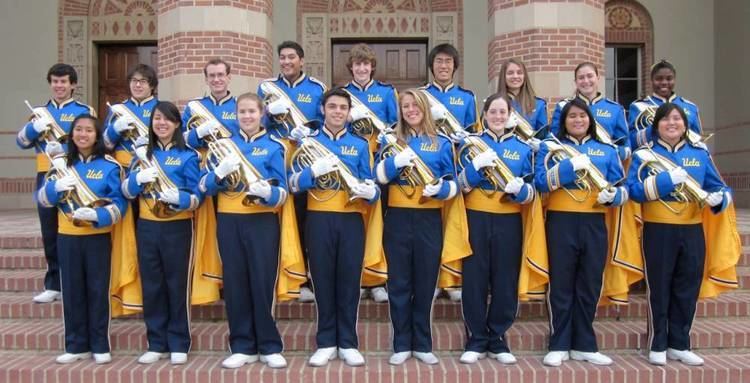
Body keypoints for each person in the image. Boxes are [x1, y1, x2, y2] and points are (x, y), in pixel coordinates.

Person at [627, 103, 738, 367]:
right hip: (658, 228)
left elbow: (720, 187)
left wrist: (718, 198)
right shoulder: (644, 155)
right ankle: (657, 342)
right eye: (665, 120)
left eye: (677, 119)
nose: (672, 124)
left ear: (685, 124)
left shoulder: (699, 153)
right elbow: (633, 190)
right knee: (660, 287)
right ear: (657, 126)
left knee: (687, 286)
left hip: (692, 228)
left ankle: (680, 342)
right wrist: (666, 181)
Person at [199, 92, 304, 369]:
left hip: (262, 222)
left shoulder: (274, 146)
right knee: (235, 284)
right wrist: (217, 175)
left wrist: (268, 192)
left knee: (262, 282)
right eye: (242, 112)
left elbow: (283, 192)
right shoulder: (221, 146)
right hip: (229, 221)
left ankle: (269, 345)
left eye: (252, 112)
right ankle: (242, 344)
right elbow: (203, 188)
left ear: (262, 114)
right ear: (236, 115)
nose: (247, 116)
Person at [288, 88, 380, 367]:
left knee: (349, 281)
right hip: (318, 219)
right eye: (332, 106)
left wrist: (368, 191)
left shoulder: (361, 144)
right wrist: (312, 173)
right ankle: (326, 341)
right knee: (323, 280)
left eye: (342, 107)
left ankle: (348, 342)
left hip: (351, 218)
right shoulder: (308, 143)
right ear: (323, 109)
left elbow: (373, 189)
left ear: (349, 112)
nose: (338, 111)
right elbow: (292, 183)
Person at [375, 89, 467, 366]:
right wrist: (394, 162)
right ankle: (401, 343)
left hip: (429, 218)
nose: (411, 110)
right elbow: (377, 177)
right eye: (405, 106)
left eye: (416, 105)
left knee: (426, 282)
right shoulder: (391, 140)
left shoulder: (440, 142)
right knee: (399, 282)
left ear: (425, 108)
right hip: (399, 217)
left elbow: (454, 185)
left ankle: (423, 343)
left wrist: (441, 189)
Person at [534, 98, 628, 367]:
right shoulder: (552, 147)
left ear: (590, 119)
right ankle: (559, 343)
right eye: (571, 116)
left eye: (582, 116)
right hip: (560, 221)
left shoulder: (606, 149)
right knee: (561, 284)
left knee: (589, 283)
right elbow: (540, 182)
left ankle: (585, 344)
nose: (577, 120)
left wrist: (615, 196)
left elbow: (622, 188)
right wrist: (566, 169)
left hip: (595, 221)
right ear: (563, 121)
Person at [37, 114, 126, 364]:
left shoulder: (110, 166)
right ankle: (76, 345)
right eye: (78, 130)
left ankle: (99, 344)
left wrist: (97, 214)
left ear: (97, 136)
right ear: (71, 134)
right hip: (67, 236)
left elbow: (121, 205)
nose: (82, 134)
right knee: (72, 291)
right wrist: (55, 189)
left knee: (98, 290)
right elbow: (42, 200)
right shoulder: (59, 164)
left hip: (98, 238)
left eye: (88, 130)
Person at [455, 94, 537, 364]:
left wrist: (522, 191)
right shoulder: (471, 144)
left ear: (510, 115)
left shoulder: (523, 148)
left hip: (508, 218)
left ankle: (498, 338)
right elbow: (460, 185)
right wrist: (476, 169)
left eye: (503, 112)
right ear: (485, 114)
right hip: (476, 215)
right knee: (475, 277)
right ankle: (476, 338)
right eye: (493, 112)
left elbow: (532, 191)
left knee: (505, 279)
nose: (498, 117)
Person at [121, 101, 202, 365]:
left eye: (167, 119)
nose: (161, 123)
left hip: (178, 227)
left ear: (177, 124)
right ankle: (156, 342)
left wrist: (181, 198)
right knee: (152, 285)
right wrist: (136, 180)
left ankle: (179, 341)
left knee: (176, 284)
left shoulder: (188, 155)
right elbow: (127, 192)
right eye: (157, 119)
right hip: (147, 226)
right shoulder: (142, 155)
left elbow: (197, 195)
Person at [17, 63, 96, 304]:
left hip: (75, 174)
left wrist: (61, 148)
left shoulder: (84, 109)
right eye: (55, 81)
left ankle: (80, 280)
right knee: (49, 229)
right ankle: (54, 284)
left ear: (73, 84)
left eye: (63, 81)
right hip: (47, 175)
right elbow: (21, 142)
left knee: (77, 226)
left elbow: (92, 139)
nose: (59, 86)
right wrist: (33, 129)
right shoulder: (39, 112)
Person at [420, 43, 478, 302]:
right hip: (426, 166)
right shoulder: (421, 95)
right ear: (431, 66)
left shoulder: (467, 97)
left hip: (455, 166)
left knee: (454, 224)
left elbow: (474, 136)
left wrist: (462, 138)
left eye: (448, 62)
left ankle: (452, 279)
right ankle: (431, 278)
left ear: (455, 66)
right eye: (439, 61)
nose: (443, 66)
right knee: (429, 227)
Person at [343, 43, 398, 303]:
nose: (362, 68)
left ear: (371, 66)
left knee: (380, 223)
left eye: (365, 64)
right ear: (351, 67)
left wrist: (388, 136)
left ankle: (377, 279)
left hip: (379, 165)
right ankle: (356, 277)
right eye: (357, 64)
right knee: (354, 224)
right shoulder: (342, 94)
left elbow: (396, 126)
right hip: (350, 165)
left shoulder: (386, 92)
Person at [551, 62, 630, 161]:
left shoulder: (615, 108)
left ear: (598, 77)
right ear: (575, 82)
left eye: (590, 76)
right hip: (572, 162)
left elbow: (625, 144)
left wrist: (611, 154)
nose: (586, 81)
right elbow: (554, 139)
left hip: (603, 165)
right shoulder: (563, 106)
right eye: (581, 78)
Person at [628, 60, 704, 149]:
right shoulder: (638, 107)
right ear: (651, 80)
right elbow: (631, 142)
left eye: (669, 79)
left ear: (674, 79)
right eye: (659, 79)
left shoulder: (690, 107)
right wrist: (655, 128)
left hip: (684, 160)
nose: (664, 82)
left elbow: (698, 142)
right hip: (654, 159)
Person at [103, 64, 159, 166]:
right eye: (134, 80)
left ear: (152, 86)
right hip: (122, 167)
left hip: (153, 164)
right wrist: (114, 129)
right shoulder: (118, 109)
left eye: (143, 81)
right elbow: (105, 145)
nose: (137, 85)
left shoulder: (161, 108)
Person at [183, 58, 237, 148]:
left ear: (229, 77)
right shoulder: (194, 106)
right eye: (212, 75)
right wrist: (198, 133)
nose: (216, 79)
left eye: (220, 75)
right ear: (206, 80)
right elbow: (180, 139)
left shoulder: (240, 105)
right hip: (202, 159)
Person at [497, 58, 547, 150]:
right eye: (510, 73)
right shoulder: (494, 102)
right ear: (503, 76)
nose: (515, 76)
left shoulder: (538, 104)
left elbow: (544, 136)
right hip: (502, 153)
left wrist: (541, 146)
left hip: (529, 156)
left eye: (519, 73)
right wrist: (502, 127)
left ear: (525, 76)